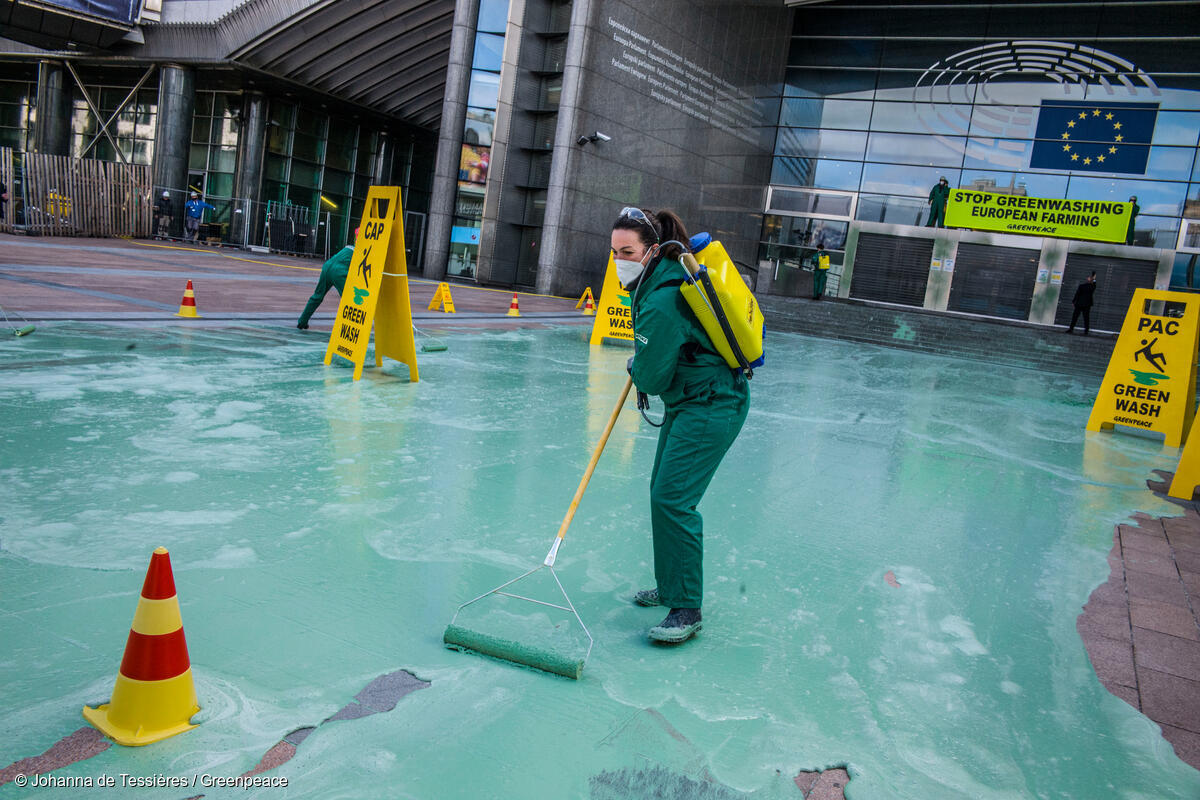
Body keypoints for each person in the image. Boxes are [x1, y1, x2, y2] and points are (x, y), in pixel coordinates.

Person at [612, 206, 750, 644]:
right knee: (662, 493)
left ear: (651, 250)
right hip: (691, 400)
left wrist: (638, 365)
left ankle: (686, 607)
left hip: (711, 405)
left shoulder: (660, 298)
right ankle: (672, 585)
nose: (619, 260)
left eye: (627, 252)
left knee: (673, 499)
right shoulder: (663, 276)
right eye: (615, 251)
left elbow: (652, 378)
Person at [297, 229, 357, 329]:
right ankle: (347, 328)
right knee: (350, 300)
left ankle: (302, 322)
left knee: (317, 296)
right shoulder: (363, 252)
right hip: (339, 271)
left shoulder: (348, 247)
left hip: (327, 266)